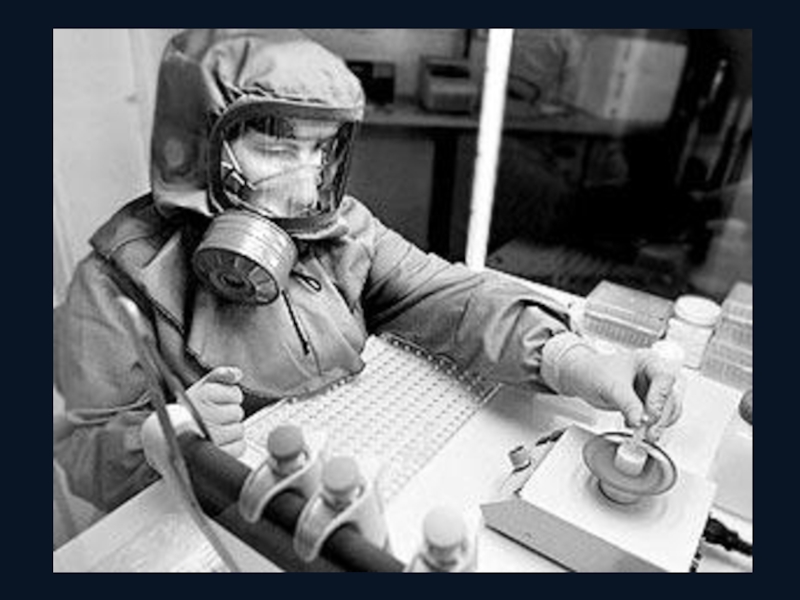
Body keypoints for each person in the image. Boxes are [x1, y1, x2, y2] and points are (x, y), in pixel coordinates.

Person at [53, 29, 681, 513]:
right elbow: (75, 449)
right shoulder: (116, 279)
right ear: (198, 144)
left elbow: (451, 297)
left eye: (318, 150)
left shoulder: (339, 230)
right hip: (215, 518)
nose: (306, 181)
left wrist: (579, 362)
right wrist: (157, 442)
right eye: (275, 146)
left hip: (351, 485)